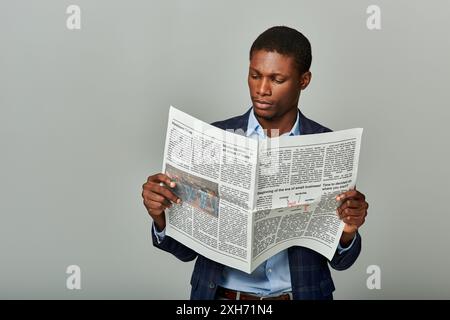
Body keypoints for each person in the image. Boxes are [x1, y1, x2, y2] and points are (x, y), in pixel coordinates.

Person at [142, 26, 369, 300]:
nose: (262, 89)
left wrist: (348, 231)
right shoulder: (213, 139)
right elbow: (186, 252)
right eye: (255, 75)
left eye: (277, 79)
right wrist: (161, 217)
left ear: (304, 80)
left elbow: (341, 261)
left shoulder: (328, 146)